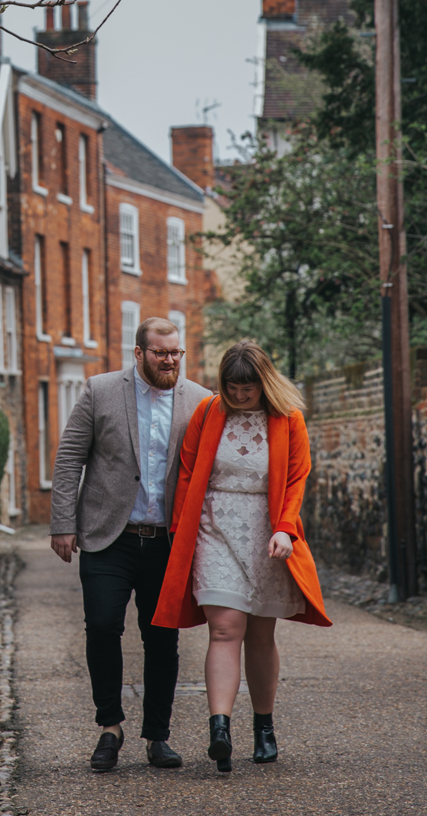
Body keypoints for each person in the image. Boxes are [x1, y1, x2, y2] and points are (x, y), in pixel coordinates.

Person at [153, 339, 331, 773]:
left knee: (260, 634)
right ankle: (220, 728)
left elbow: (296, 478)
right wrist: (181, 534)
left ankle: (264, 727)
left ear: (263, 382)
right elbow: (189, 473)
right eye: (232, 386)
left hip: (266, 533)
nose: (238, 395)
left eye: (247, 387)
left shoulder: (289, 419)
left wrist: (286, 529)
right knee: (224, 628)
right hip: (214, 529)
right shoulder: (208, 412)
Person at [49, 317, 212, 773]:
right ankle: (110, 728)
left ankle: (158, 737)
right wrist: (63, 523)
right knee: (102, 627)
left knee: (162, 639)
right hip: (108, 536)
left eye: (175, 352)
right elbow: (69, 460)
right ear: (138, 353)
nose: (170, 360)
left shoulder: (200, 400)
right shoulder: (100, 390)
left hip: (167, 542)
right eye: (160, 352)